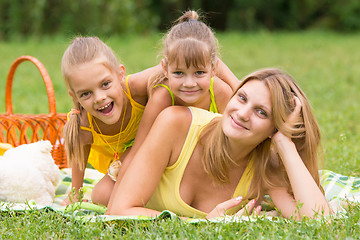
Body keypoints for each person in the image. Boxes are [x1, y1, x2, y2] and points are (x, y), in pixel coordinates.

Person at [106, 68, 331, 219]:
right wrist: (204, 225)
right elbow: (118, 210)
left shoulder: (264, 164)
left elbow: (319, 222)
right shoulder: (175, 123)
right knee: (102, 193)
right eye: (242, 98)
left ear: (274, 129)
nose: (242, 113)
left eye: (261, 112)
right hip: (116, 177)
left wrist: (285, 144)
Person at [60, 36, 158, 206]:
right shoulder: (84, 123)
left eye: (105, 84)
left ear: (120, 74)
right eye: (85, 94)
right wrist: (75, 193)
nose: (99, 98)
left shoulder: (136, 89)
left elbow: (173, 67)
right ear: (74, 96)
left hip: (159, 147)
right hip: (126, 163)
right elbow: (79, 156)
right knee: (101, 196)